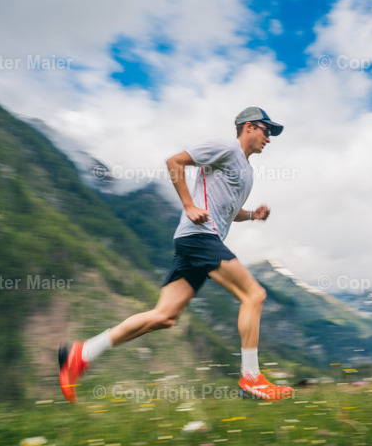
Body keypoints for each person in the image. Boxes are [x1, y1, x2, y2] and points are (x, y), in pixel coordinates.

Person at [58, 107, 293, 402]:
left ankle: (82, 353)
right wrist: (188, 205)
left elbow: (229, 212)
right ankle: (251, 379)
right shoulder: (225, 147)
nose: (269, 139)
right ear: (248, 127)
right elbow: (175, 162)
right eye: (265, 130)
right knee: (253, 295)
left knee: (164, 316)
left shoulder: (247, 172)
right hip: (199, 237)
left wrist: (252, 216)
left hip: (196, 241)